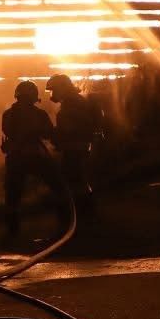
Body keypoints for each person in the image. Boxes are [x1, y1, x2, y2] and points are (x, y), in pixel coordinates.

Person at [1, 79, 70, 237]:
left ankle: (12, 230)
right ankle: (65, 221)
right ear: (33, 97)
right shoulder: (39, 114)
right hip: (35, 157)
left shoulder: (8, 114)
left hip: (15, 158)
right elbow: (49, 133)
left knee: (13, 195)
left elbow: (8, 132)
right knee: (58, 185)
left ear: (17, 96)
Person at [46, 73, 105, 214]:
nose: (53, 94)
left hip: (75, 148)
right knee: (77, 179)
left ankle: (81, 210)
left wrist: (54, 135)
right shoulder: (74, 101)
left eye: (54, 89)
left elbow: (71, 127)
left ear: (62, 88)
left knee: (73, 179)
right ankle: (84, 209)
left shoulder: (72, 104)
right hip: (78, 146)